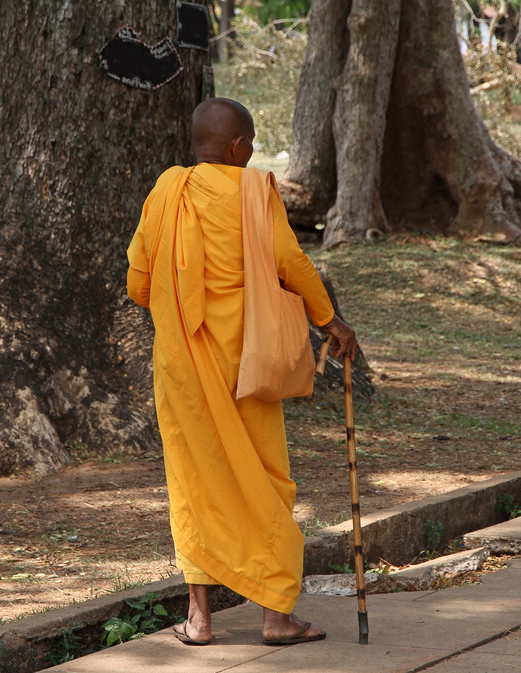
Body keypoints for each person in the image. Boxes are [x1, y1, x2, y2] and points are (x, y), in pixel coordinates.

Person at [126, 97, 358, 646]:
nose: (251, 152)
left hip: (184, 366)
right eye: (249, 143)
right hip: (248, 363)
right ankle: (275, 616)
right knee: (265, 477)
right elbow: (291, 262)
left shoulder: (167, 192)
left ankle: (200, 620)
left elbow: (138, 283)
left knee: (194, 481)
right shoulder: (255, 191)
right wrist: (332, 322)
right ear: (236, 147)